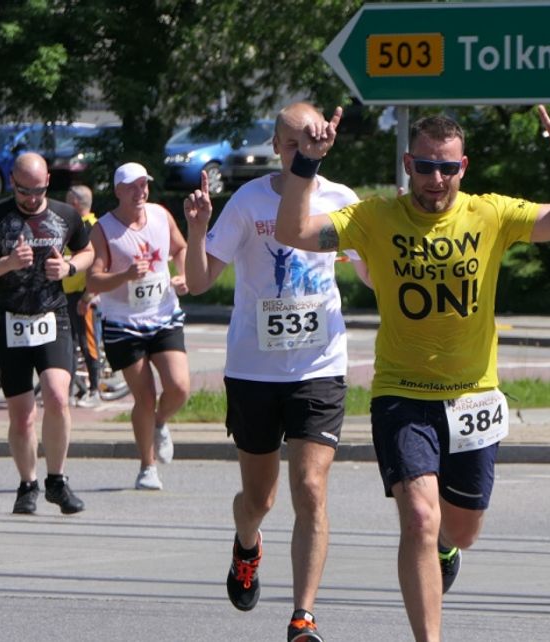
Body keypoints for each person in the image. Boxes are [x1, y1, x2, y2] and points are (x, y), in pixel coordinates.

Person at [276, 105, 550, 641]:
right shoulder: (376, 218)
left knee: (460, 530)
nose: (436, 179)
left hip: (473, 397)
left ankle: (448, 546)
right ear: (408, 165)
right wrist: (307, 162)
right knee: (420, 518)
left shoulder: (490, 214)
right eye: (425, 167)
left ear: (463, 167)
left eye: (447, 168)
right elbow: (295, 230)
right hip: (402, 394)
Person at [184, 101, 367, 642]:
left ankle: (303, 616)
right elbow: (198, 281)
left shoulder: (341, 200)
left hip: (320, 366)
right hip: (254, 371)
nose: (301, 151)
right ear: (276, 146)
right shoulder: (249, 200)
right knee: (259, 499)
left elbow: (373, 276)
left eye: (310, 141)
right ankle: (247, 545)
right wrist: (196, 230)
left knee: (309, 487)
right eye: (292, 144)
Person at [0, 152, 93, 515]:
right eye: (24, 191)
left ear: (47, 182)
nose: (32, 198)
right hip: (10, 321)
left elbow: (88, 251)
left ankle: (57, 480)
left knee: (57, 396)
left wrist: (68, 267)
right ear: (12, 182)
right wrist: (6, 263)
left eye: (38, 191)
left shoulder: (65, 214)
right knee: (22, 415)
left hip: (52, 315)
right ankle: (27, 484)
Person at [86, 163, 189, 491]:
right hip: (123, 323)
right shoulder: (104, 229)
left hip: (164, 314)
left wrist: (183, 275)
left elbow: (180, 247)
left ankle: (159, 422)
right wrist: (125, 275)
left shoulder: (160, 215)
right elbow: (93, 279)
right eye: (132, 186)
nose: (140, 192)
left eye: (144, 185)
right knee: (144, 396)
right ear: (118, 190)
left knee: (179, 387)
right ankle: (148, 467)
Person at [62, 184, 102, 407]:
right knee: (68, 344)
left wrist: (88, 296)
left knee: (88, 343)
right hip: (67, 292)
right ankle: (68, 390)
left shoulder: (92, 227)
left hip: (84, 294)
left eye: (68, 201)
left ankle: (95, 389)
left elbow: (98, 263)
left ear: (75, 203)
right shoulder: (71, 225)